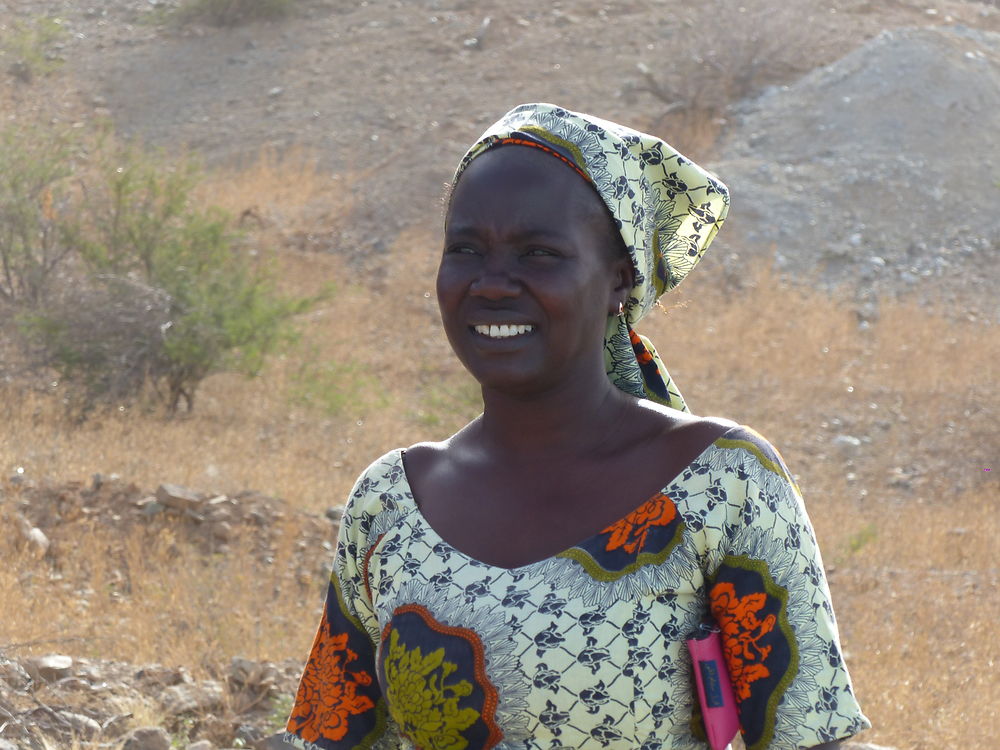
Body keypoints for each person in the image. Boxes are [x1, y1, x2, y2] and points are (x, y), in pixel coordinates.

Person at [283, 103, 870, 750]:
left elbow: (809, 737)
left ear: (620, 278)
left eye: (538, 253)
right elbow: (333, 737)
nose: (494, 283)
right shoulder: (391, 500)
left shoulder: (719, 482)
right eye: (466, 249)